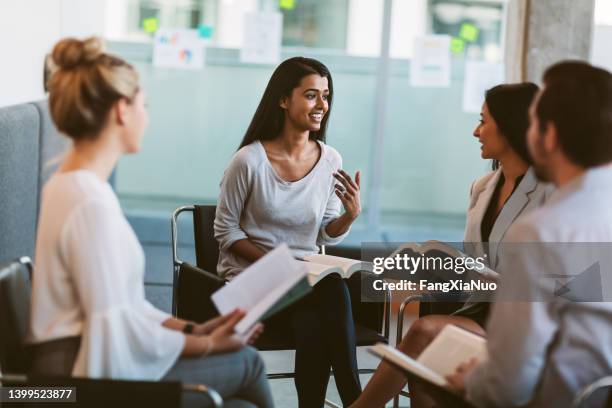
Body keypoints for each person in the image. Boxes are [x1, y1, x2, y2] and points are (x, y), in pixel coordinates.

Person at [27, 37, 274, 408]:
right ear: (122, 110)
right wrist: (206, 345)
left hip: (70, 358)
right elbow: (117, 330)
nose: (147, 116)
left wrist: (194, 329)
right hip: (78, 376)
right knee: (249, 363)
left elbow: (124, 308)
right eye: (145, 105)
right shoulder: (88, 201)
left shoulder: (72, 185)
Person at [350, 83, 551, 408]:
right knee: (426, 351)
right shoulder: (482, 187)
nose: (476, 131)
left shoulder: (551, 193)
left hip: (527, 322)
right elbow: (477, 260)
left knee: (424, 334)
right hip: (480, 310)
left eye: (484, 121)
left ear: (511, 125)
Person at [447, 61, 612, 407]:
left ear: (548, 135)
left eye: (533, 121)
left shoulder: (543, 232)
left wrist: (472, 383)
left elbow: (508, 387)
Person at [214, 57, 362, 407]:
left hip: (304, 286)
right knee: (330, 287)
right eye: (311, 95)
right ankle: (356, 400)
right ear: (283, 100)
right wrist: (280, 266)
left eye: (326, 96)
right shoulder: (249, 161)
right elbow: (226, 232)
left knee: (314, 318)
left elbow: (325, 232)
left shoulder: (331, 160)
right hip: (250, 284)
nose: (322, 105)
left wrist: (350, 216)